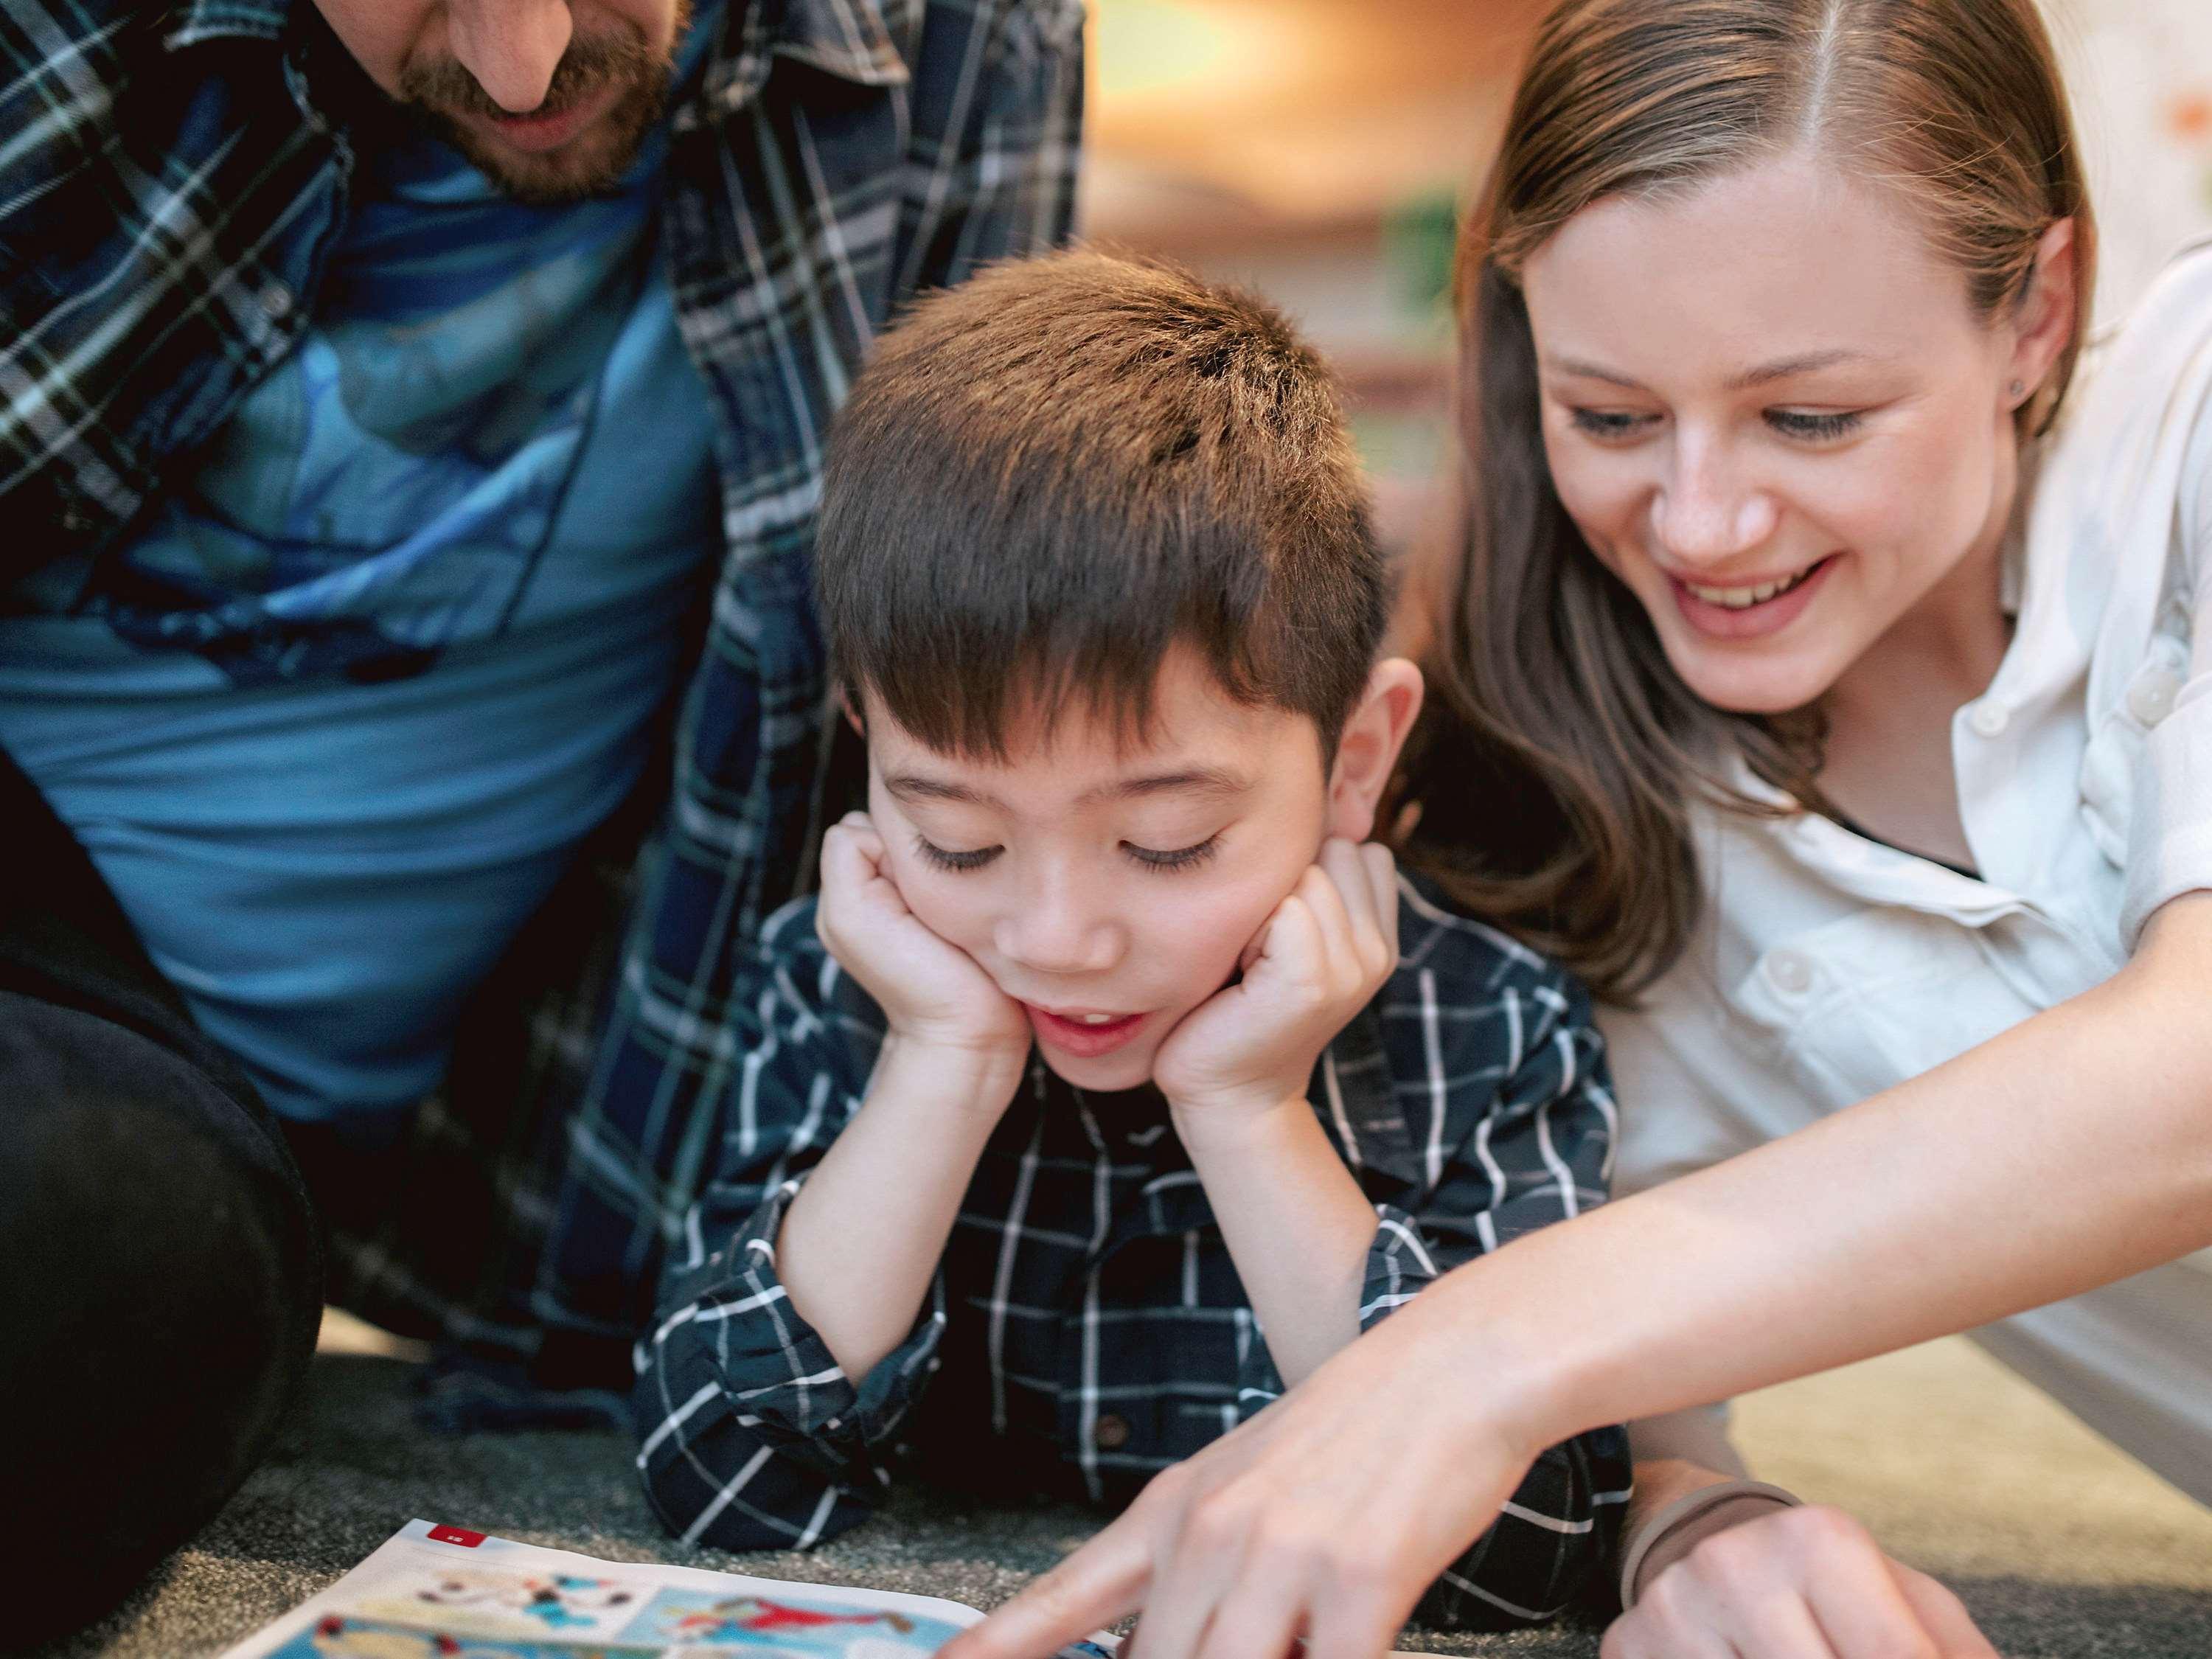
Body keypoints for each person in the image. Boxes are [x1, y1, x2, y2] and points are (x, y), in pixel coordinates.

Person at [935, 3, 2212, 1658]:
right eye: (1610, 416)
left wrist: (1472, 1352)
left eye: (1812, 418)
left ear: (2036, 313)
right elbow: (1613, 1295)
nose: (1699, 523)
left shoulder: (2187, 421)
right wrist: (1695, 1513)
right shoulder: (1547, 811)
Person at [0, 0, 1077, 1637]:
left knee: (107, 1252)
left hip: (312, 1151)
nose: (520, 67)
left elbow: (959, 677)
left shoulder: (969, 41)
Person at [630, 251, 1632, 1629]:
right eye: (961, 841)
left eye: (1167, 845)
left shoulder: (1492, 1028)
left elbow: (1521, 1554)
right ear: (867, 750)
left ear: (1355, 762)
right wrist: (940, 1058)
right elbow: (719, 1476)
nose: (1056, 941)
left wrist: (1248, 1106)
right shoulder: (854, 978)